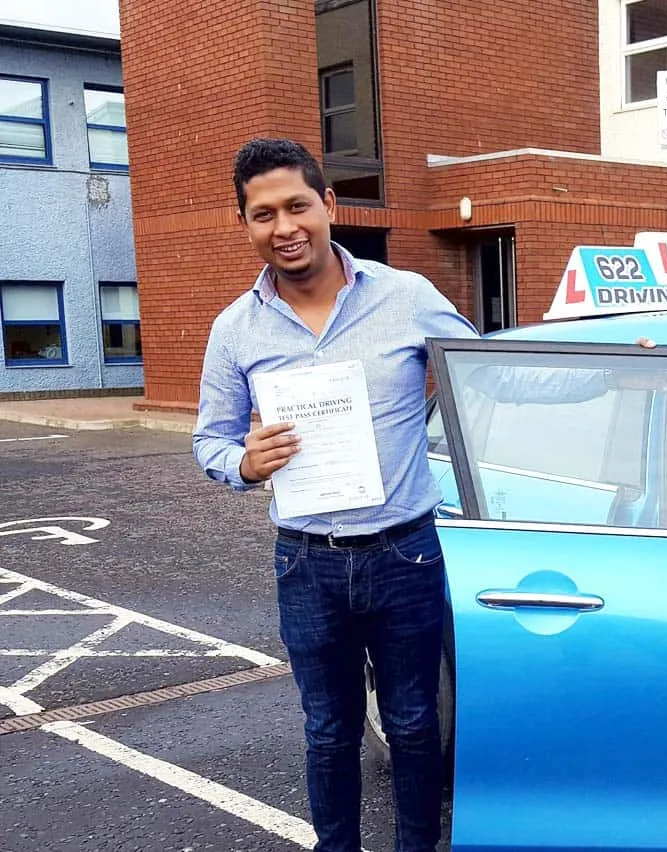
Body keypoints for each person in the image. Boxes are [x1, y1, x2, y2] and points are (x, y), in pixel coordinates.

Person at [192, 137, 476, 852]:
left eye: (296, 206)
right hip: (307, 563)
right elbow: (211, 442)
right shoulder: (236, 329)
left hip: (405, 553)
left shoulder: (406, 297)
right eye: (263, 215)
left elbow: (484, 372)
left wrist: (616, 359)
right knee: (328, 730)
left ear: (329, 205)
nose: (283, 227)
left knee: (413, 724)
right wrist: (245, 464)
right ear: (246, 225)